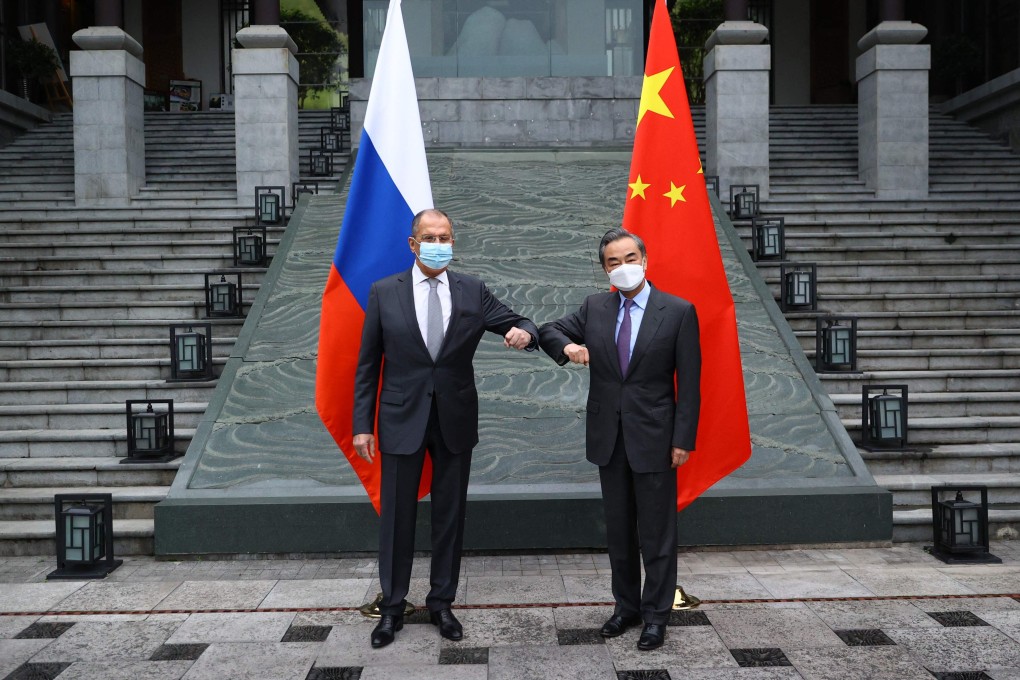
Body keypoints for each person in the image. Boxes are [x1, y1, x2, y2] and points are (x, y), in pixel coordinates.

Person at [353, 208, 539, 649]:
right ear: (413, 243)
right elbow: (366, 365)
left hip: (455, 417)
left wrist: (523, 333)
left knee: (449, 516)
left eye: (446, 236)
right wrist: (363, 425)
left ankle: (442, 603)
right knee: (397, 517)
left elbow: (519, 320)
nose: (439, 242)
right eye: (430, 236)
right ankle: (393, 607)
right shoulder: (384, 292)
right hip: (400, 417)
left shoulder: (471, 290)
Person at [538, 228, 701, 651]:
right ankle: (626, 607)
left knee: (657, 532)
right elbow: (549, 328)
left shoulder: (678, 311)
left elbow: (692, 383)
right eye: (614, 262)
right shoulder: (596, 307)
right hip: (609, 437)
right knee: (620, 531)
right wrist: (569, 347)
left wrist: (683, 438)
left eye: (630, 258)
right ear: (605, 269)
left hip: (657, 438)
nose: (623, 267)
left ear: (645, 260)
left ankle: (656, 615)